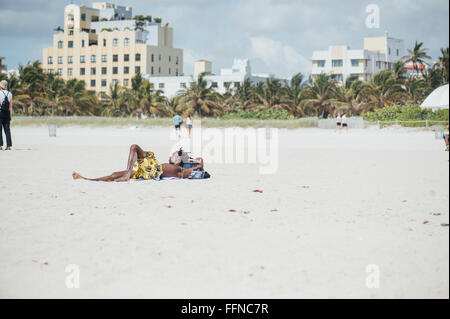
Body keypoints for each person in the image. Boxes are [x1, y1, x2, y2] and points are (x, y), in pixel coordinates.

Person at [72, 144, 206, 182]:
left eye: (175, 155)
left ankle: (86, 178)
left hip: (151, 171)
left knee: (114, 174)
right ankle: (127, 173)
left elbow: (199, 166)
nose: (172, 155)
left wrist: (195, 163)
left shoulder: (180, 171)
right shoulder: (172, 165)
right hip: (151, 163)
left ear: (180, 161)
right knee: (134, 147)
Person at [0, 80, 13, 151]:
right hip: (7, 113)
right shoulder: (10, 93)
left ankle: (0, 145)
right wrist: (10, 116)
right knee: (7, 130)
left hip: (0, 112)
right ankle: (8, 146)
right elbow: (11, 106)